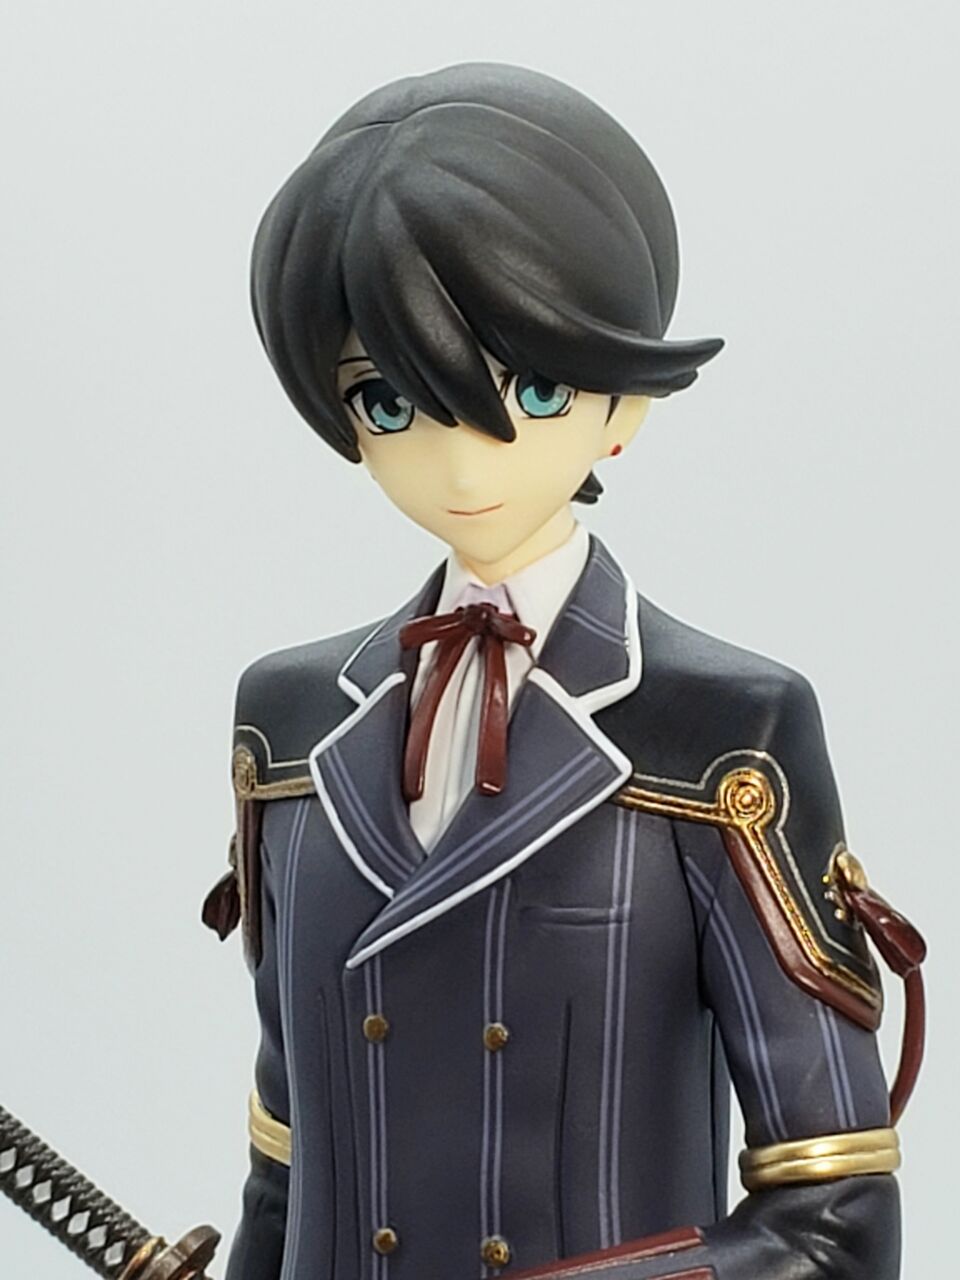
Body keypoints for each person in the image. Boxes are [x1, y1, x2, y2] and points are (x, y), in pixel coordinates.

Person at [204, 62, 920, 1280]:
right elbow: (287, 1160)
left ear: (625, 401)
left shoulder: (720, 730)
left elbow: (834, 1216)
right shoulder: (287, 727)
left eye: (531, 389)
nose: (460, 461)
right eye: (389, 399)